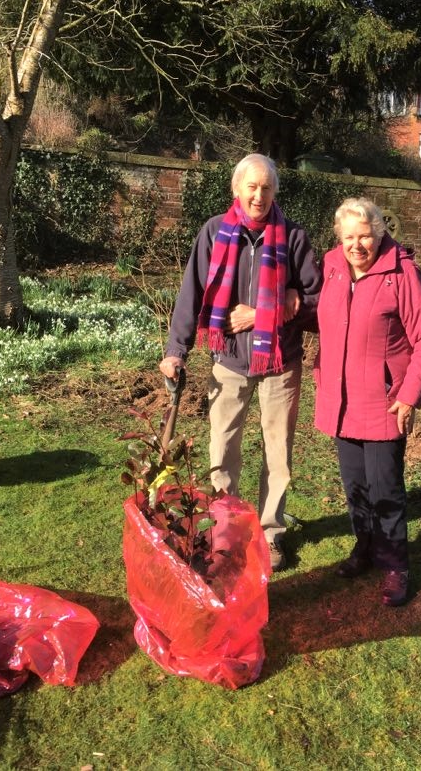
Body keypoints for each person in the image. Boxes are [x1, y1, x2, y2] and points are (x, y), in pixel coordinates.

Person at [160, 153, 321, 571]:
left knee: (278, 453)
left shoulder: (294, 238)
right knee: (223, 449)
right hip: (228, 362)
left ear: (275, 192)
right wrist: (175, 351)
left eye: (267, 188)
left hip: (280, 364)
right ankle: (224, 528)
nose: (259, 195)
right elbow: (190, 294)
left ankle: (271, 532)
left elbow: (318, 304)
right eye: (252, 186)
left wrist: (291, 304)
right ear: (237, 189)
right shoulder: (215, 232)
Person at [313, 198, 421, 606]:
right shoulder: (331, 267)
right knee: (356, 488)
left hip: (385, 402)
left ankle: (395, 565)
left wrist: (409, 396)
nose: (357, 244)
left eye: (365, 235)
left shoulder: (401, 272)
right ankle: (365, 548)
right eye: (349, 236)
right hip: (341, 401)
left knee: (386, 488)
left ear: (380, 232)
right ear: (339, 237)